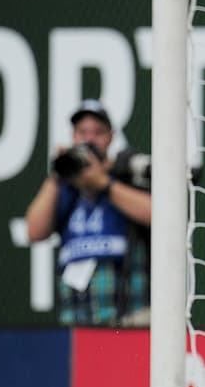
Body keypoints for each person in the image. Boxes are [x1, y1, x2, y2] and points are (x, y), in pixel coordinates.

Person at [24, 100, 153, 327]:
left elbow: (157, 215)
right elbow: (34, 231)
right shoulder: (65, 188)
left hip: (128, 317)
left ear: (110, 137)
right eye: (82, 132)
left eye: (98, 133)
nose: (89, 139)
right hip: (76, 317)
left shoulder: (125, 175)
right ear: (73, 136)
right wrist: (58, 173)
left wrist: (103, 183)